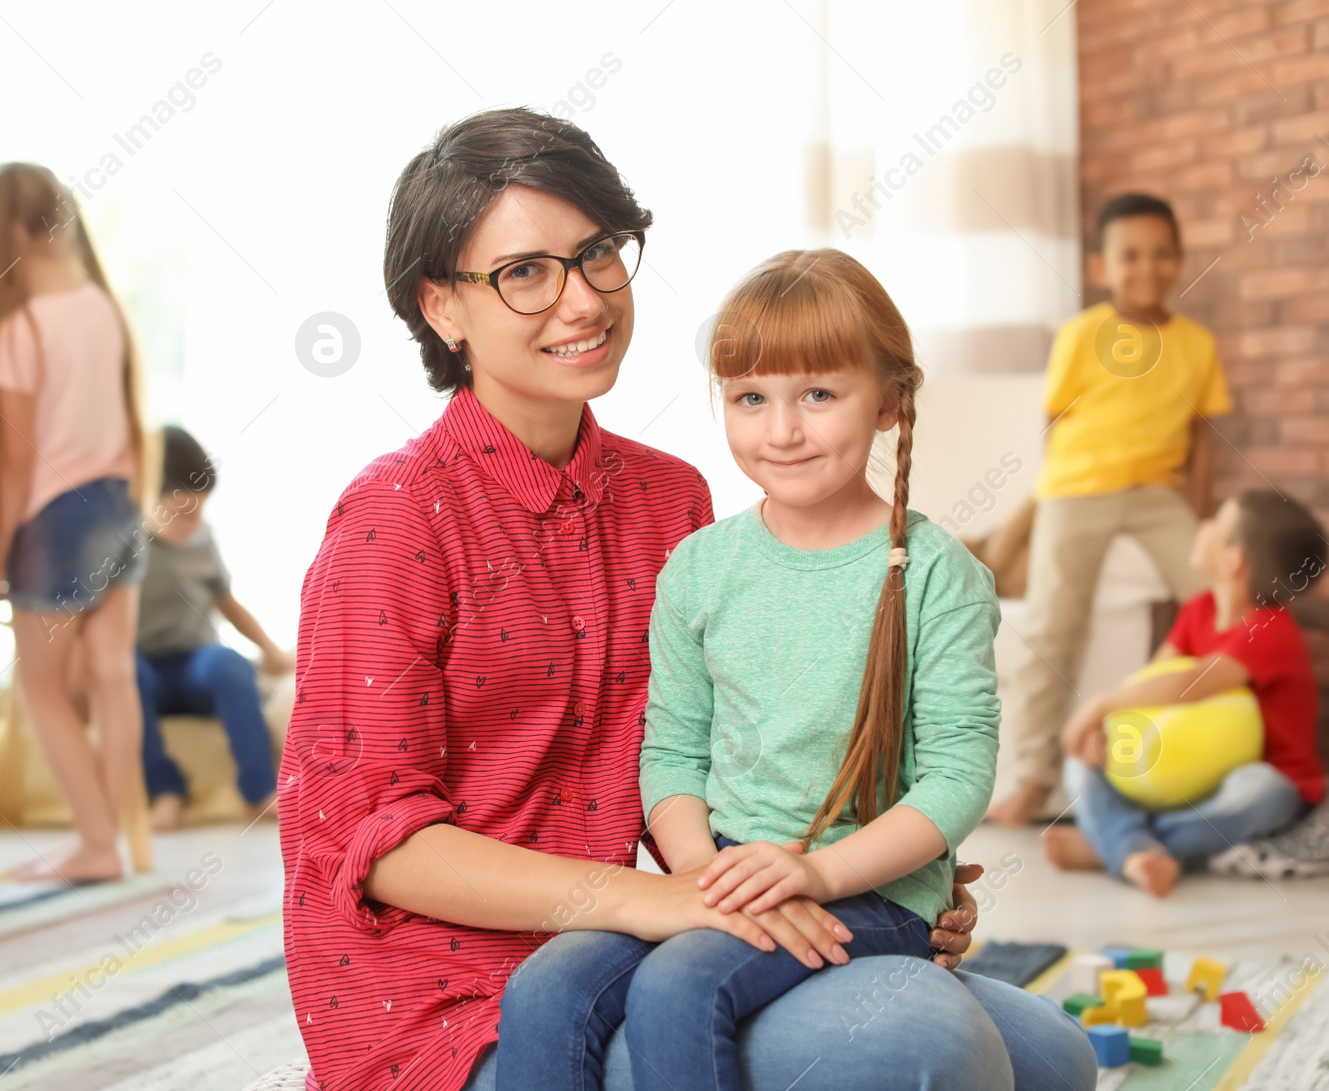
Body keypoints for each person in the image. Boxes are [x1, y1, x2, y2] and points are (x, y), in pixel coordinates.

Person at [278, 106, 1096, 1091]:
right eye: (525, 272)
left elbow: (728, 747)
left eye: (596, 255)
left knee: (1049, 1056)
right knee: (927, 1045)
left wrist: (889, 879)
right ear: (442, 308)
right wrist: (652, 899)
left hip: (665, 925)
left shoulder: (670, 500)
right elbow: (380, 843)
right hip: (456, 994)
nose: (581, 299)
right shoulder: (395, 516)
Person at [495, 249, 1003, 1091]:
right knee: (547, 988)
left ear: (891, 401)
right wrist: (700, 873)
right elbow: (673, 752)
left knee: (677, 989)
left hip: (875, 891)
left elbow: (958, 777)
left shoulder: (936, 574)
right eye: (751, 398)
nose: (783, 430)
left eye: (819, 394)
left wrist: (816, 873)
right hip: (722, 867)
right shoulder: (700, 567)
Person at [990, 193, 1233, 826]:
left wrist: (1201, 518)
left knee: (1221, 597)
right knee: (1052, 622)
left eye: (1160, 254)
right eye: (1130, 256)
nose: (1146, 267)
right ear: (1102, 266)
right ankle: (1035, 780)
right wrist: (1056, 490)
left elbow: (1205, 437)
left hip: (1157, 495)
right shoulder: (1081, 334)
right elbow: (1055, 419)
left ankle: (1217, 758)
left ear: (1178, 260)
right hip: (1078, 489)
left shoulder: (1198, 346)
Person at [0, 162, 149, 882]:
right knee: (111, 676)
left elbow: (15, 465)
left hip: (53, 518)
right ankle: (116, 841)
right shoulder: (100, 307)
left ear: (8, 230)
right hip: (117, 504)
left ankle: (97, 842)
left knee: (40, 688)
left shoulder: (19, 329)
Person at [1044, 490, 1325, 896]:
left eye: (1216, 522)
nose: (1203, 525)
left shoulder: (1270, 630)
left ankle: (1119, 846)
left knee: (1258, 789)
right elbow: (1152, 681)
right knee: (1081, 763)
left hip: (1266, 782)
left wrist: (1099, 704)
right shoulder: (1199, 611)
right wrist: (1104, 728)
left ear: (1234, 561)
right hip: (1183, 772)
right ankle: (1133, 849)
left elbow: (1187, 684)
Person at [136, 425, 293, 831]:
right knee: (126, 672)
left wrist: (271, 650)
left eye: (201, 508)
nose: (195, 520)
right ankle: (165, 791)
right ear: (145, 494)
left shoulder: (203, 539)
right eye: (183, 510)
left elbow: (227, 603)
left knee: (228, 663)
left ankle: (259, 789)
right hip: (143, 669)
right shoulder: (123, 545)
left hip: (195, 667)